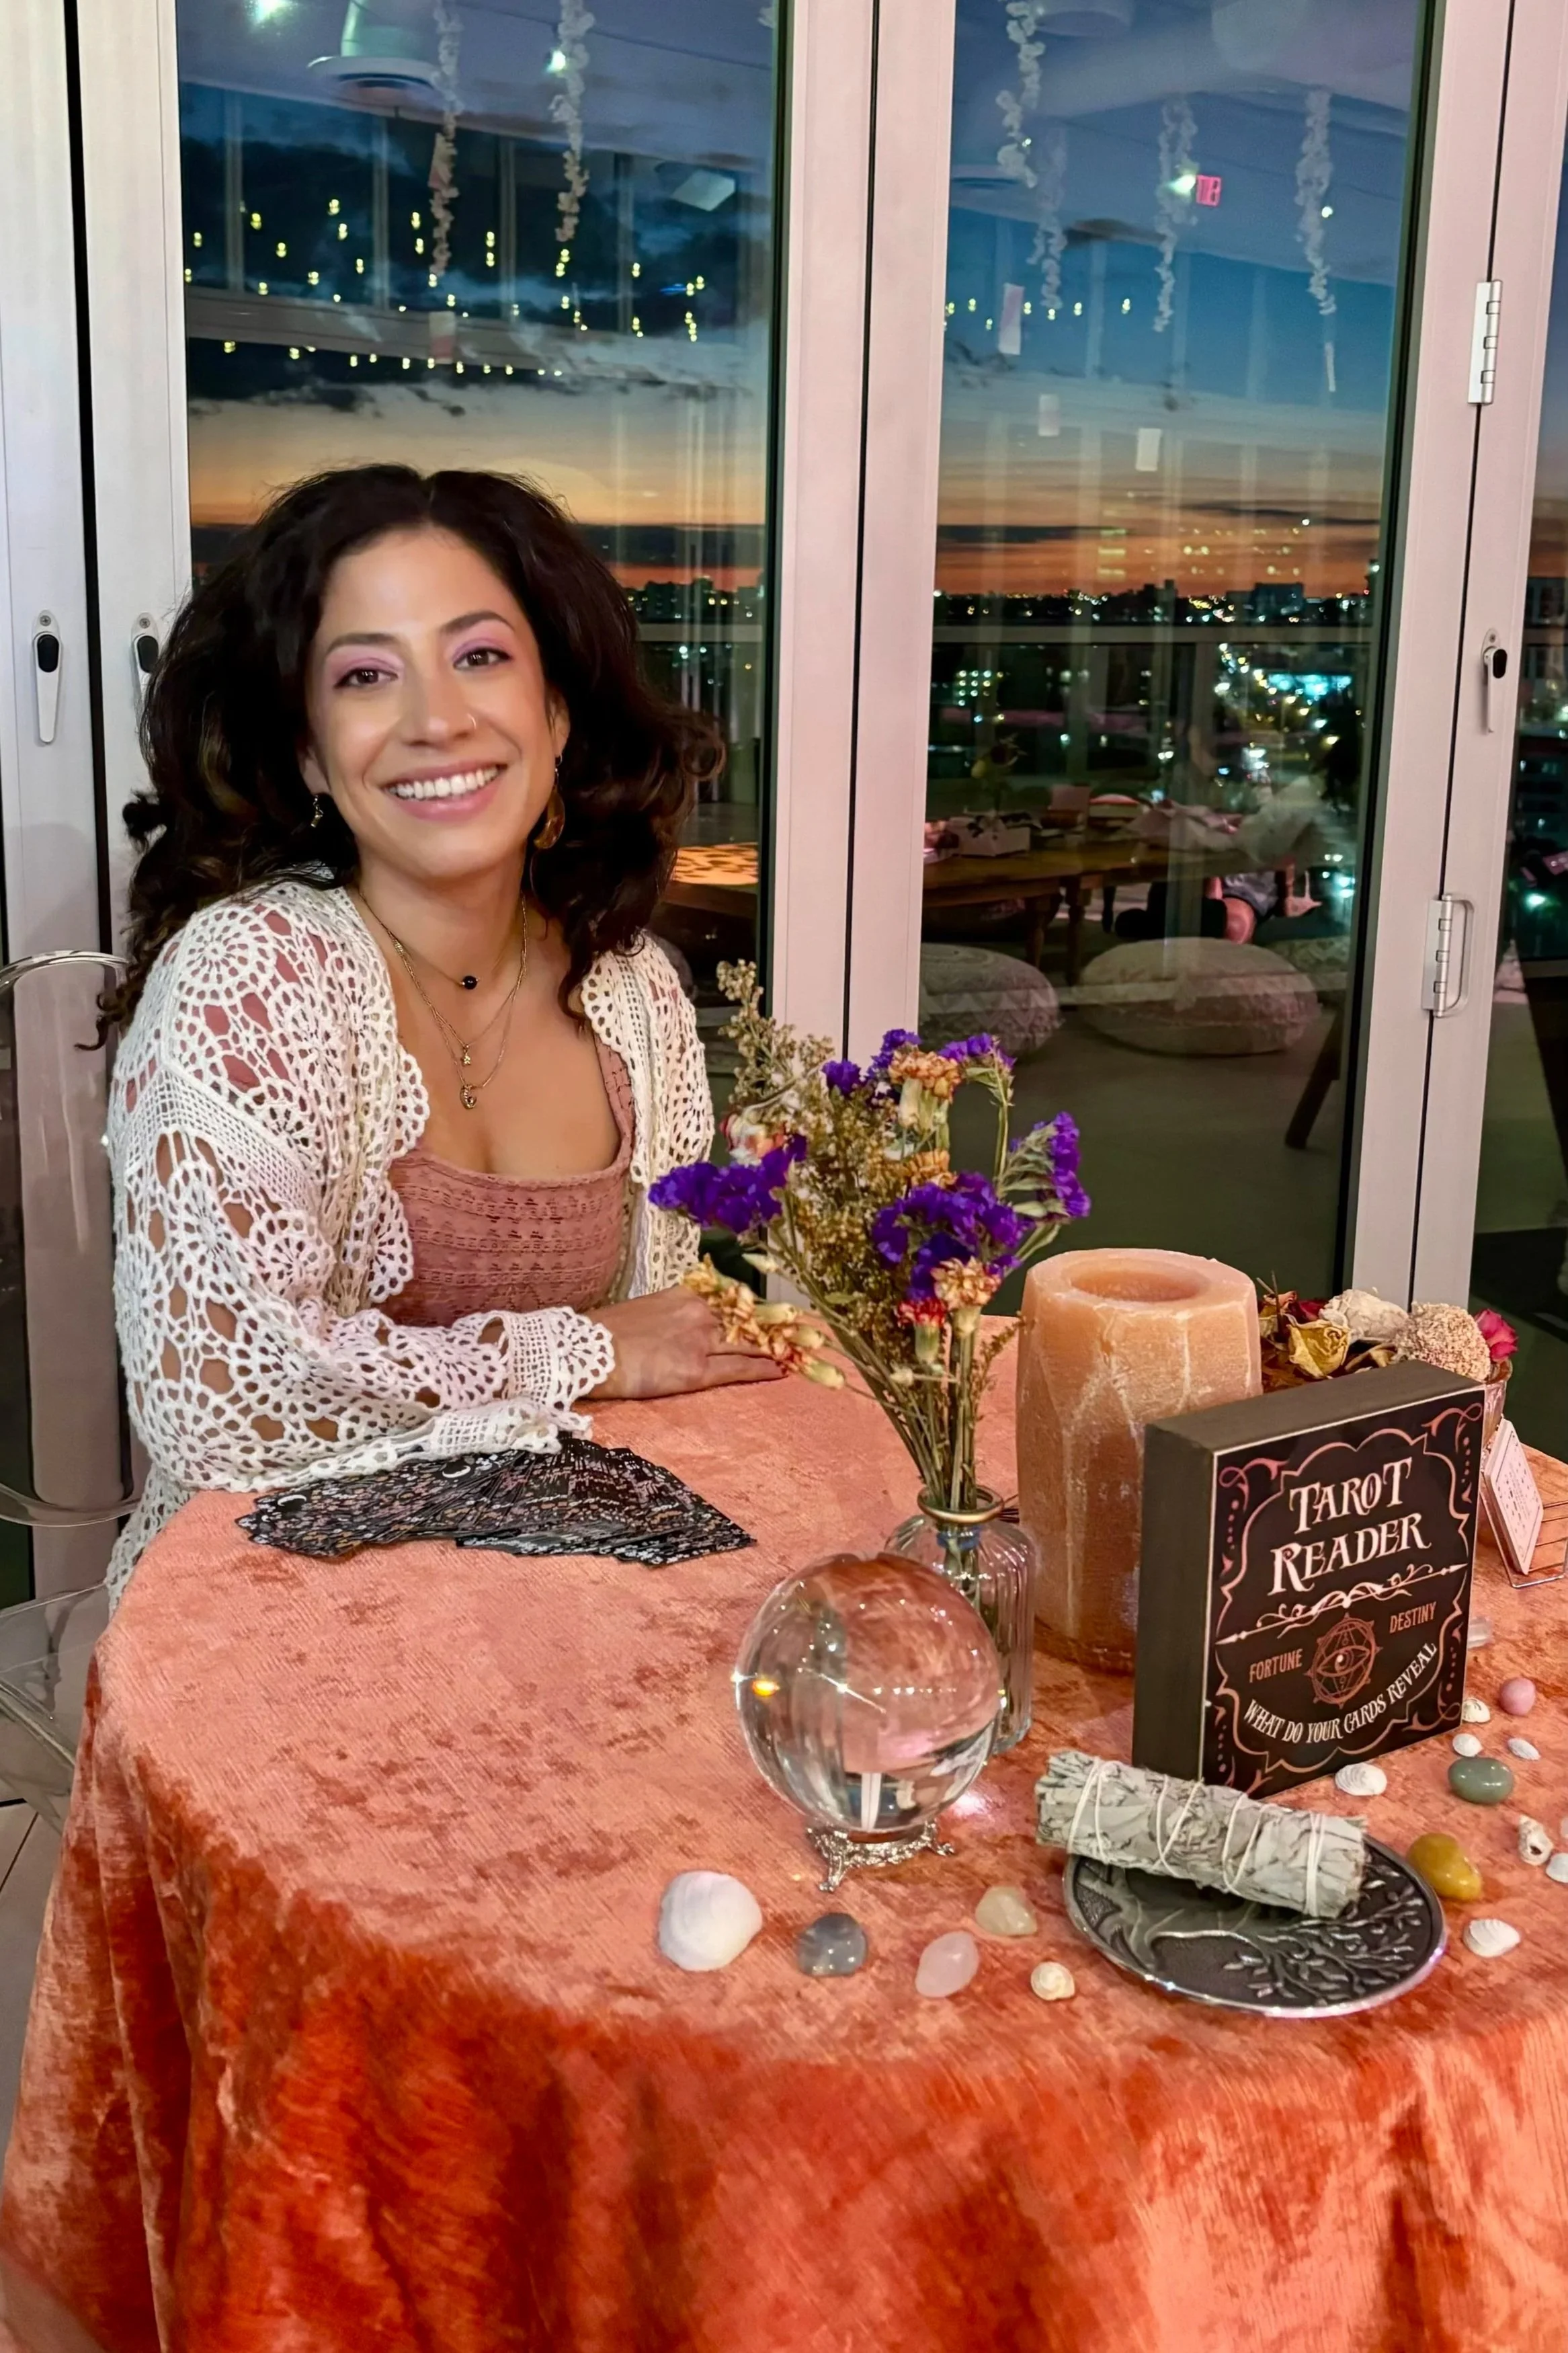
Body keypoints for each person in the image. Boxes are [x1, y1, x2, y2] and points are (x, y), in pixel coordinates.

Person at [102, 464, 780, 1600]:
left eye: (480, 656)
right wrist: (589, 1350)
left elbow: (658, 1357)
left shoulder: (636, 995)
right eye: (368, 675)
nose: (436, 720)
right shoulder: (250, 975)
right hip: (256, 1608)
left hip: (553, 1584)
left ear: (556, 710)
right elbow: (225, 1392)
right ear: (311, 751)